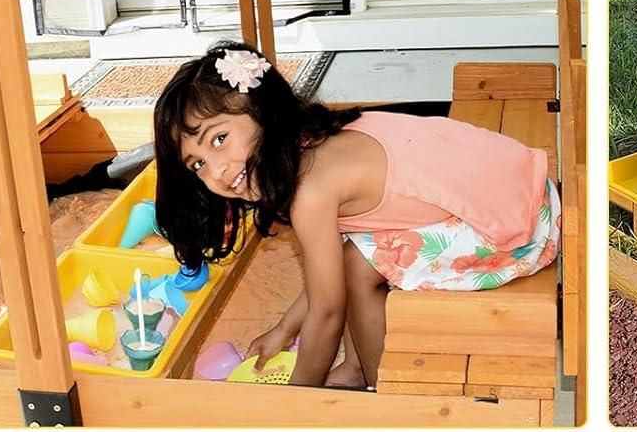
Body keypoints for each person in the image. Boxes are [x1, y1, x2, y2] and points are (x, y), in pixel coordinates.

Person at [153, 42, 559, 389]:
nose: (216, 170)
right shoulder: (313, 137)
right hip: (521, 185)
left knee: (356, 269)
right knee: (345, 258)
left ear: (262, 110)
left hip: (519, 228)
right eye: (197, 164)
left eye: (219, 140)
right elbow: (319, 272)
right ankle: (354, 367)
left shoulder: (311, 190)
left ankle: (382, 384)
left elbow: (327, 313)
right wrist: (284, 329)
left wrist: (295, 401)